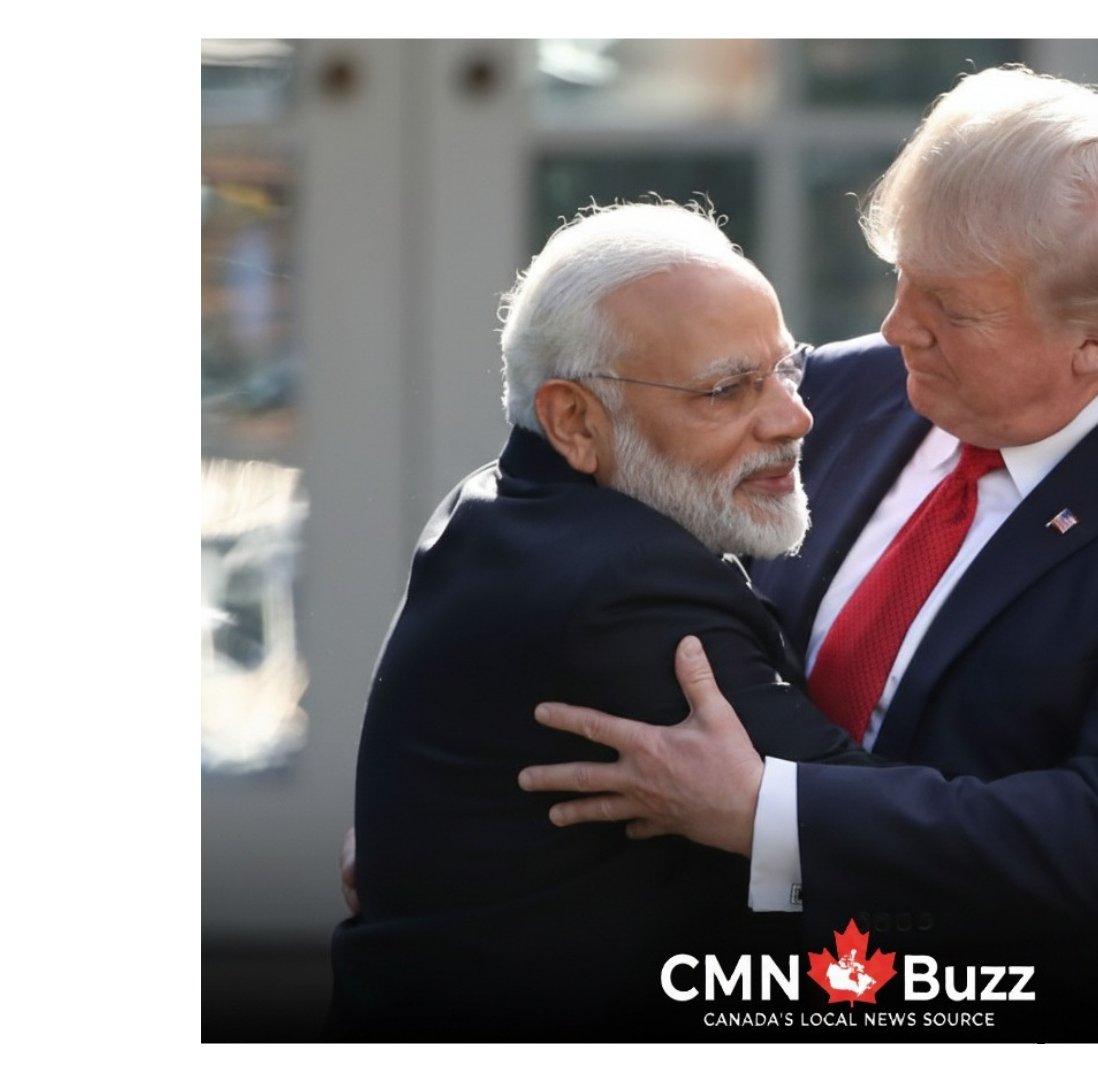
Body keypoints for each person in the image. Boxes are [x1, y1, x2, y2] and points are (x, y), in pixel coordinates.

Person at [519, 66, 1098, 1040]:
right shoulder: (844, 392)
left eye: (952, 306)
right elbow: (563, 525)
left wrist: (768, 814)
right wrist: (441, 813)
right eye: (902, 276)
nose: (898, 325)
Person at [326, 202, 873, 1040]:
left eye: (786, 370)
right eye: (728, 389)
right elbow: (877, 847)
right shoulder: (625, 591)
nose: (793, 419)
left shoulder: (493, 503)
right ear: (573, 420)